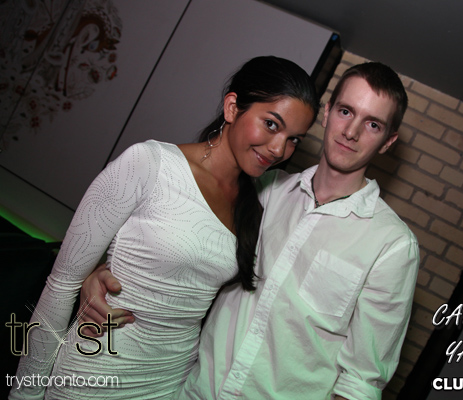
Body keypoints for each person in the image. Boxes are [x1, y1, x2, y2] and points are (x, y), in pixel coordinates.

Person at [80, 62, 419, 399]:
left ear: (387, 141)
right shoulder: (263, 188)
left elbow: (360, 382)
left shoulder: (391, 245)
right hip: (189, 390)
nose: (351, 132)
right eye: (346, 111)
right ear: (328, 112)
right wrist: (96, 271)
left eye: (372, 124)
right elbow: (178, 243)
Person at [9, 56, 319, 400]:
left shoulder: (257, 201)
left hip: (172, 383)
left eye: (294, 139)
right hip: (96, 374)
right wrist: (25, 392)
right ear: (232, 108)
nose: (279, 149)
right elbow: (61, 286)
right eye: (271, 124)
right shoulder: (149, 164)